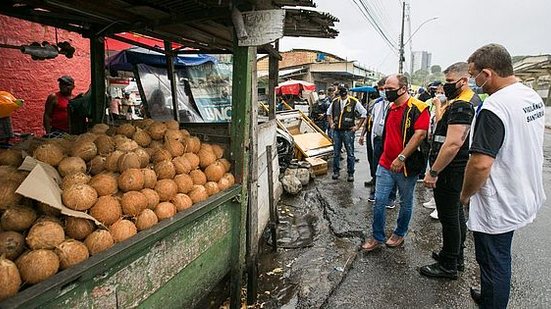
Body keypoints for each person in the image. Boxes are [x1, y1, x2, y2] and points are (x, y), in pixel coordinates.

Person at [460, 44, 546, 308]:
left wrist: (465, 195)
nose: (474, 82)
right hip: (522, 190)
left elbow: (480, 165)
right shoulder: (529, 96)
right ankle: (489, 294)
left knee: (494, 261)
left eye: (475, 75)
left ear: (488, 73)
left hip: (500, 199)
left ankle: (493, 300)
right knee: (496, 259)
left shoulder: (494, 107)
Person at [419, 62, 478, 280]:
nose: (446, 86)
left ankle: (449, 265)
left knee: (449, 216)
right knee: (455, 215)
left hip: (451, 169)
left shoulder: (463, 104)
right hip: (455, 167)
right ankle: (454, 255)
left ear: (463, 81)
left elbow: (453, 144)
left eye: (451, 82)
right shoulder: (463, 101)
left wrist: (433, 172)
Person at [360, 74, 430, 251]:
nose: (386, 92)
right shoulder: (390, 107)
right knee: (379, 200)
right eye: (385, 89)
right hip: (385, 163)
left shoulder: (419, 107)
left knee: (405, 202)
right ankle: (377, 237)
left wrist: (401, 157)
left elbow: (420, 134)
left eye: (390, 89)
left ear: (403, 89)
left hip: (406, 166)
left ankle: (399, 233)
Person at [359, 76, 398, 208]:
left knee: (391, 168)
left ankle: (391, 196)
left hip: (391, 140)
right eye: (381, 89)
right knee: (377, 166)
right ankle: (375, 190)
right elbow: (370, 120)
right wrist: (364, 135)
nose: (383, 92)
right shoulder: (376, 104)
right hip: (377, 139)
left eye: (386, 89)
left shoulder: (396, 104)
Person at [326, 86, 367, 182]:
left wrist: (357, 126)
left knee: (350, 153)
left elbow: (364, 113)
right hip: (336, 130)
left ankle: (350, 173)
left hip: (348, 131)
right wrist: (331, 123)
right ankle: (336, 172)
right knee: (336, 153)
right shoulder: (335, 102)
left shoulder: (353, 101)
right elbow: (328, 113)